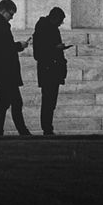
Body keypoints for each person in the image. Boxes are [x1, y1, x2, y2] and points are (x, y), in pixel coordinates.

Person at [0, 0, 31, 136]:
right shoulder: (0, 26)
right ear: (4, 11)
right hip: (6, 71)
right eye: (11, 14)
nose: (11, 18)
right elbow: (6, 48)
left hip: (3, 70)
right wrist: (20, 45)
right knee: (16, 102)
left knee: (5, 103)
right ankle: (22, 132)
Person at [32, 7, 72, 136]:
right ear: (55, 18)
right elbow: (39, 52)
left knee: (50, 101)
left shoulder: (50, 28)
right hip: (48, 70)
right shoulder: (44, 28)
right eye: (61, 20)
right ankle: (47, 128)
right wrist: (55, 48)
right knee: (48, 100)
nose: (61, 23)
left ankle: (48, 127)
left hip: (52, 70)